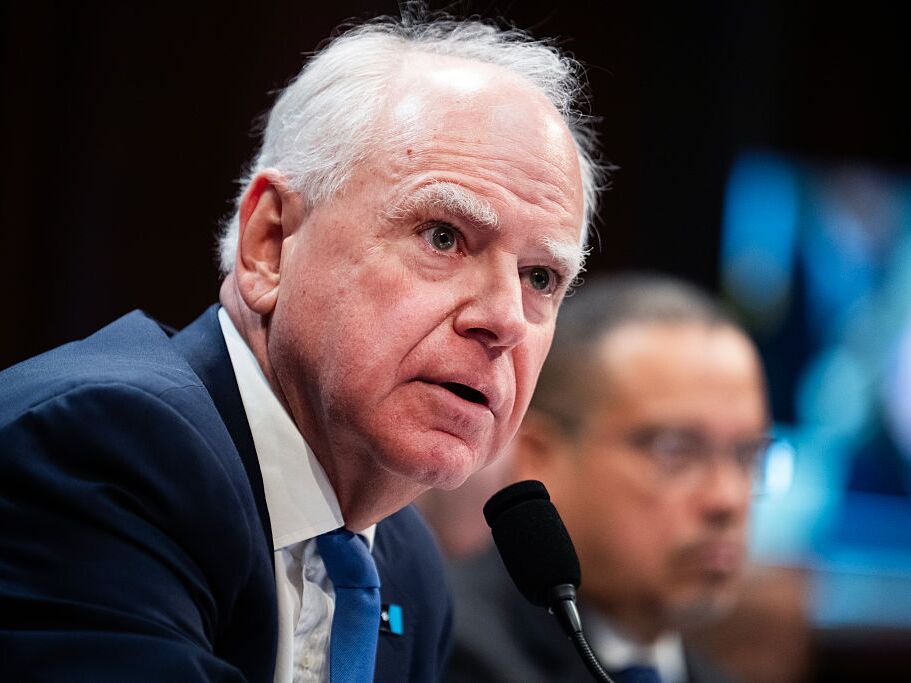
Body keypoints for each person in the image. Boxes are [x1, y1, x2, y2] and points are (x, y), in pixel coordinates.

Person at [0, 12, 602, 682]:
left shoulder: (407, 567)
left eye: (540, 277)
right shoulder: (107, 449)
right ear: (270, 242)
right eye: (442, 236)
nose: (504, 319)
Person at [445, 274, 771, 683]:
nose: (726, 499)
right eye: (675, 451)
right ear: (539, 459)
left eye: (748, 455)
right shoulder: (443, 647)